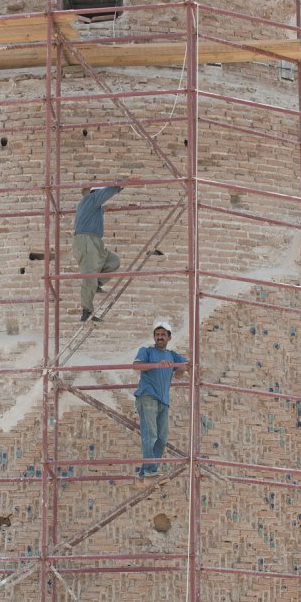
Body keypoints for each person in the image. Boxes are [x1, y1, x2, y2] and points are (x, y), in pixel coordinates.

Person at [133, 318, 189, 478]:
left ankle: (148, 470)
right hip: (148, 396)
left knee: (162, 438)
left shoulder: (172, 355)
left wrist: (180, 369)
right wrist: (157, 364)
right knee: (150, 434)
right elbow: (136, 365)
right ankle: (150, 470)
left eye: (163, 334)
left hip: (164, 400)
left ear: (169, 337)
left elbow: (186, 366)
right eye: (157, 334)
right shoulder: (147, 351)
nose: (159, 337)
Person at [72, 181, 124, 322]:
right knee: (89, 275)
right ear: (96, 193)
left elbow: (97, 211)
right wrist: (119, 185)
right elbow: (106, 193)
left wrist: (105, 208)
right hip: (87, 241)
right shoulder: (90, 199)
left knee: (113, 261)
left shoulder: (93, 207)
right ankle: (86, 311)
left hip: (94, 241)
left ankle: (97, 284)